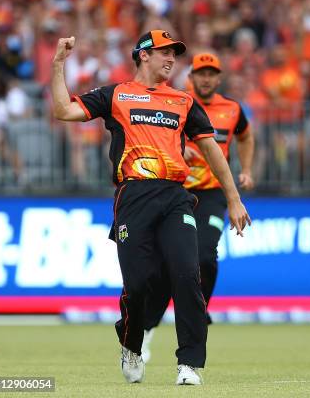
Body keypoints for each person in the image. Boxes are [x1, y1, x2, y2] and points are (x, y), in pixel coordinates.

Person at [50, 30, 251, 385]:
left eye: (175, 53)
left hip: (176, 195)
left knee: (189, 275)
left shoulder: (184, 102)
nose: (172, 59)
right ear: (143, 55)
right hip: (134, 197)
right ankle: (131, 345)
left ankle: (189, 363)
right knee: (139, 283)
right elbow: (64, 110)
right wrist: (58, 65)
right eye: (164, 53)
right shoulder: (116, 94)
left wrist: (233, 198)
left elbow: (212, 150)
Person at [141, 52, 255, 362]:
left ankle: (197, 307)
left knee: (205, 253)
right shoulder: (175, 102)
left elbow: (245, 136)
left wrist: (246, 169)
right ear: (191, 76)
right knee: (166, 268)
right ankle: (146, 328)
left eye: (211, 73)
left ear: (219, 78)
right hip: (176, 191)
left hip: (212, 193)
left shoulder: (232, 109)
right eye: (200, 73)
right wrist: (180, 151)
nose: (205, 78)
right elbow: (153, 138)